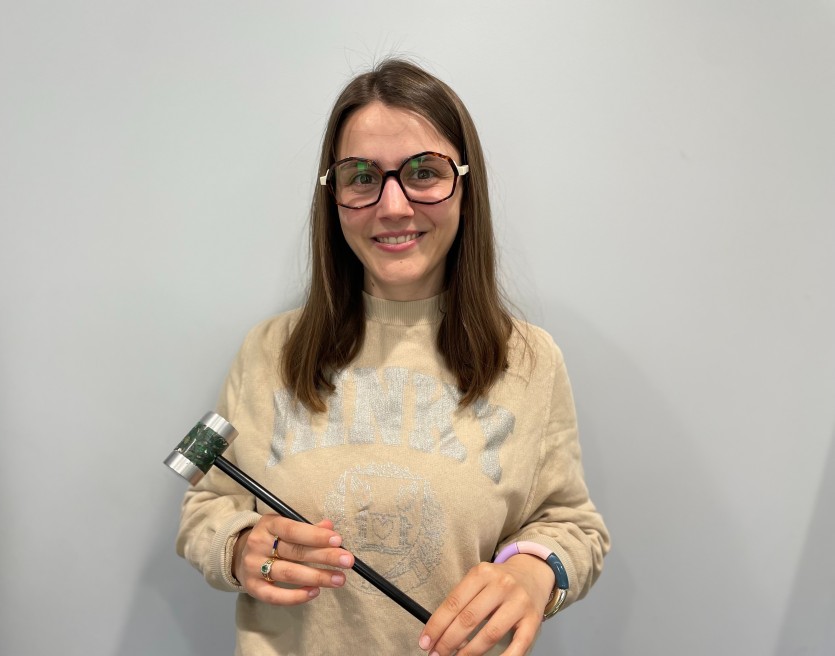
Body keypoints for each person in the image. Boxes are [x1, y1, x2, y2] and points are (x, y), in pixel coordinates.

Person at [176, 58, 609, 656]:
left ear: (466, 185)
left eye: (423, 173)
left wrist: (535, 573)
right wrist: (237, 546)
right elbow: (205, 504)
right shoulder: (267, 351)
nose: (394, 206)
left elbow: (573, 526)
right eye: (361, 177)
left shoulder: (532, 360)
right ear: (333, 196)